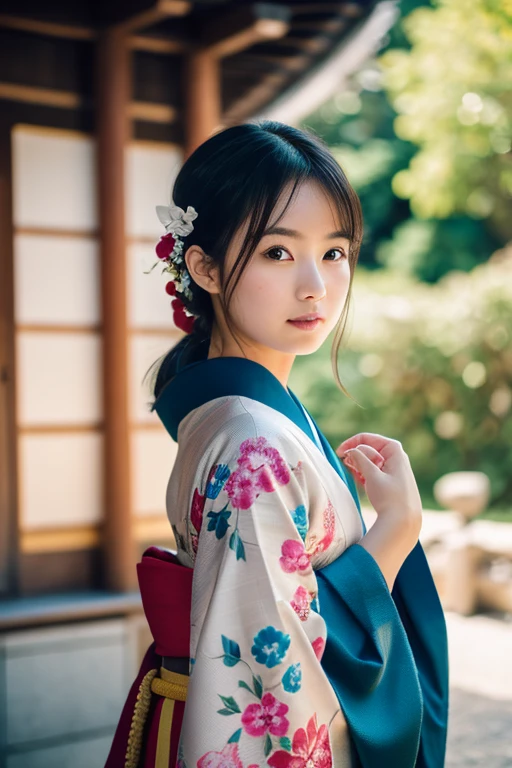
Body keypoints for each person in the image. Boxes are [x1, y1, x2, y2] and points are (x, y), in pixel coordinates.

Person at [105, 121, 449, 768]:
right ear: (203, 267)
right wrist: (396, 530)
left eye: (336, 252)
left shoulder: (241, 418)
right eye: (278, 253)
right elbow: (270, 667)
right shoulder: (252, 442)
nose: (316, 285)